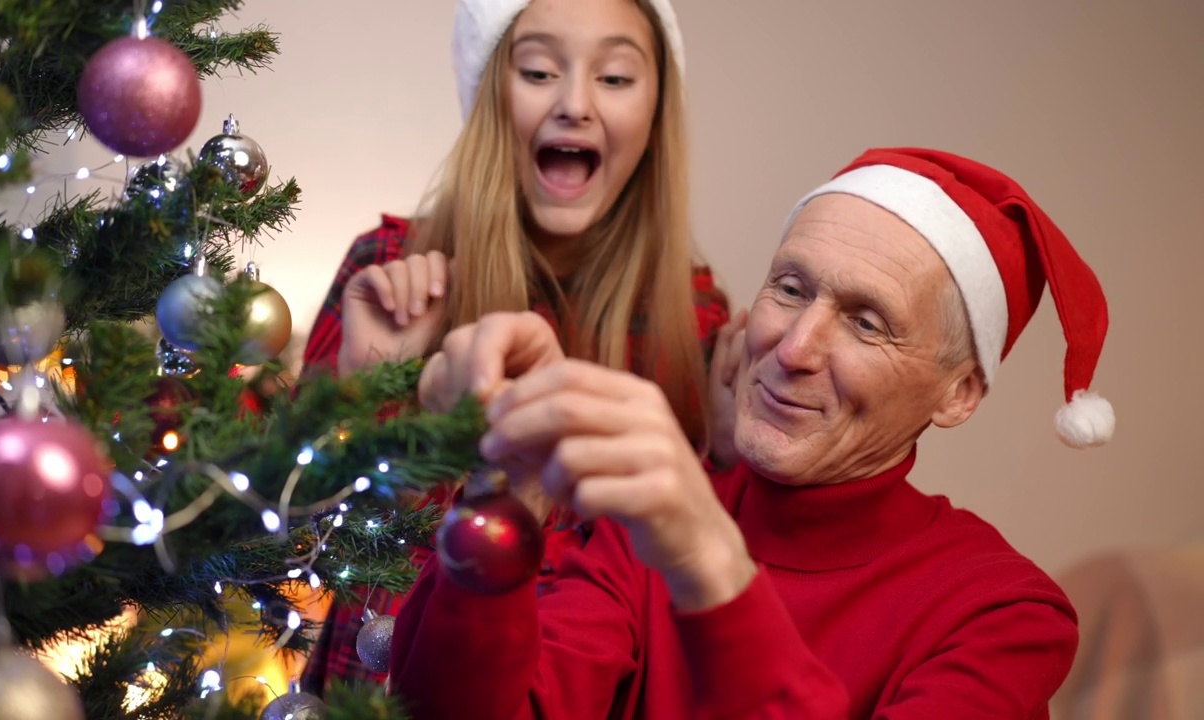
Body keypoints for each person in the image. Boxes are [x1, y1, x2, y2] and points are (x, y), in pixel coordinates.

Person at [389, 146, 1117, 718]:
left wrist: (709, 563)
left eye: (868, 322)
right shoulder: (637, 530)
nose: (794, 349)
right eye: (791, 288)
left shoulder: (1003, 615)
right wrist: (507, 491)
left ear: (959, 394)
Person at [298, 0, 743, 694]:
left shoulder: (695, 325)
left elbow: (697, 584)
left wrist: (727, 457)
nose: (575, 104)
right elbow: (287, 540)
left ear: (656, 117)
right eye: (538, 70)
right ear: (489, 98)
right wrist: (366, 397)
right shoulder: (387, 273)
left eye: (616, 78)